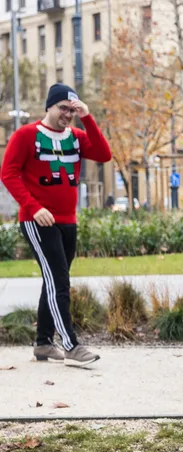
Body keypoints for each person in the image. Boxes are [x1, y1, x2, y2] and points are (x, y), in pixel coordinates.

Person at [1, 83, 111, 367]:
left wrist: (87, 117)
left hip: (68, 220)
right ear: (49, 107)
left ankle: (42, 343)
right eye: (63, 108)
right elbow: (8, 173)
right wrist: (33, 208)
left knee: (53, 280)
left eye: (72, 110)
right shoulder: (26, 135)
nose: (68, 114)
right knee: (59, 281)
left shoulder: (75, 136)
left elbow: (103, 154)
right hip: (37, 221)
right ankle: (71, 345)